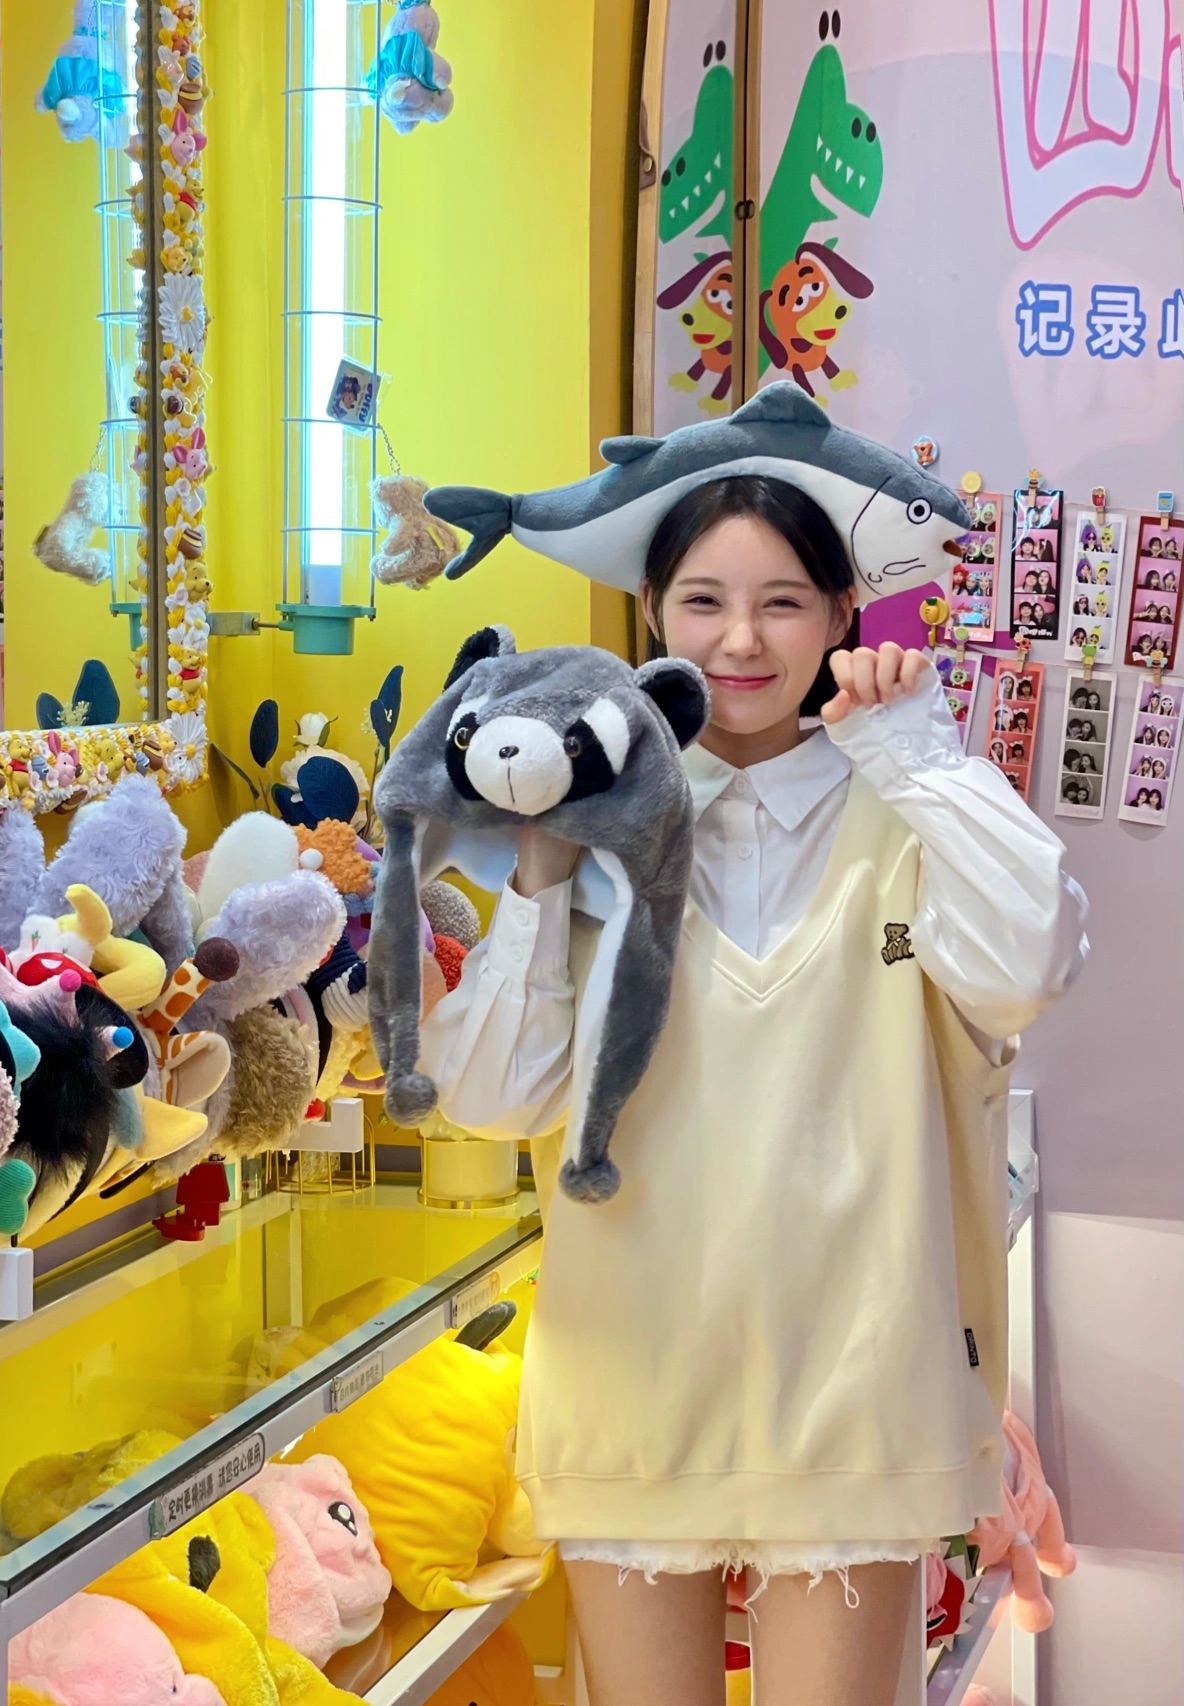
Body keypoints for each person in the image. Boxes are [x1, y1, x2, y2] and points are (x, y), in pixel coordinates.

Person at [420, 473, 1089, 1706]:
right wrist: (542, 866)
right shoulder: (587, 818)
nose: (739, 639)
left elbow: (1025, 965)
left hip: (856, 1388)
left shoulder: (902, 803)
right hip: (629, 1376)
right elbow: (494, 1097)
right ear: (648, 605)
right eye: (703, 600)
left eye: (781, 601)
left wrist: (913, 754)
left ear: (840, 611)